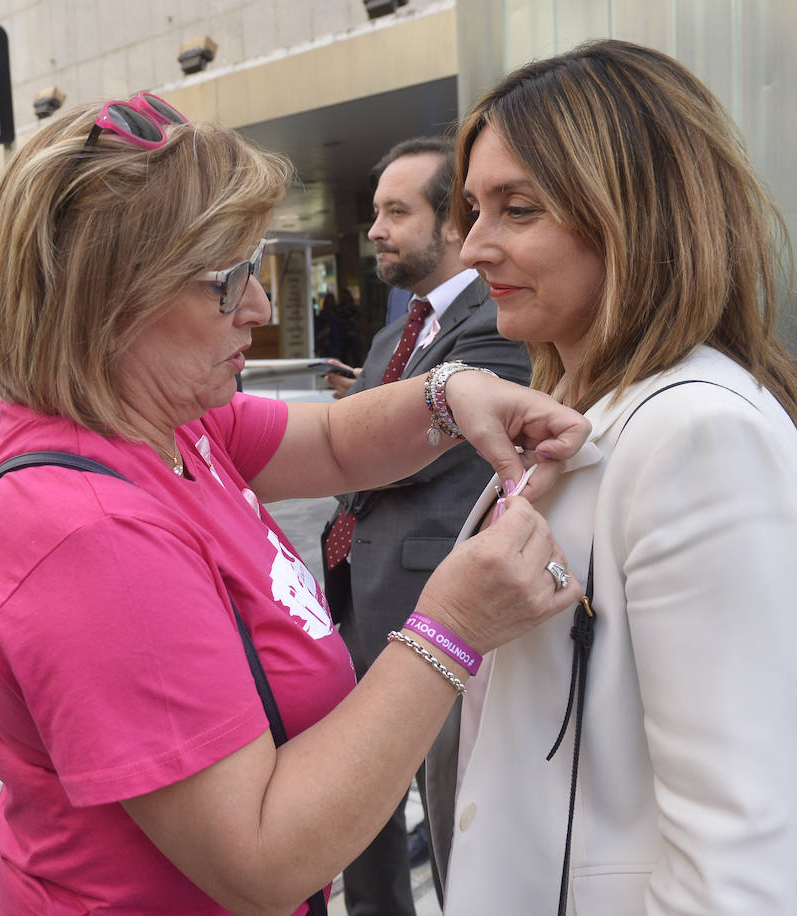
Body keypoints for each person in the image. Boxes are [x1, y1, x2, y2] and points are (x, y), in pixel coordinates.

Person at [0, 95, 589, 915]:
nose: (258, 309)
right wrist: (451, 629)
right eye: (229, 281)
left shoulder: (163, 421)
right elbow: (260, 858)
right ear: (110, 303)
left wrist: (449, 391)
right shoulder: (90, 534)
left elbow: (331, 442)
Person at [442, 40, 797, 914]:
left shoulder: (703, 436)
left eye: (518, 210)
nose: (473, 248)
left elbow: (736, 859)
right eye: (474, 209)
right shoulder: (580, 402)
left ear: (633, 215)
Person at [318, 136, 531, 914]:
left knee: (453, 833)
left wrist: (350, 428)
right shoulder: (394, 329)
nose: (375, 229)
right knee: (358, 815)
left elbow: (397, 457)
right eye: (375, 211)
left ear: (451, 225)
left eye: (396, 212)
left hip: (438, 615)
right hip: (355, 600)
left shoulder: (502, 323)